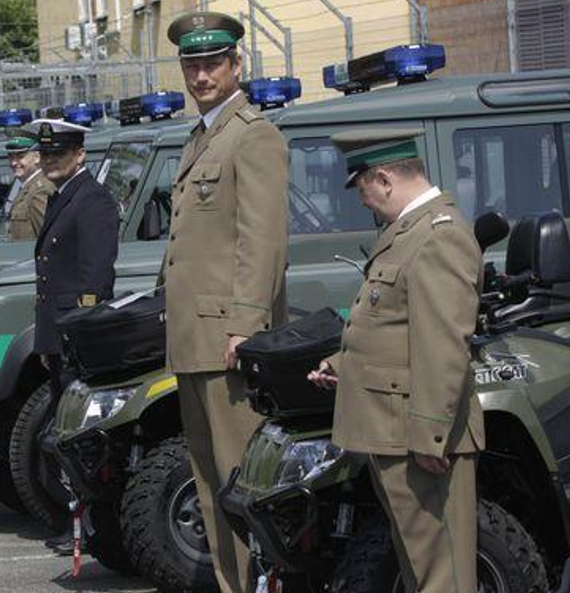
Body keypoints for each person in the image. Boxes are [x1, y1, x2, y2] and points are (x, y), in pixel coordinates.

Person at [308, 128, 484, 593]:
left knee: (441, 573)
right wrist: (340, 365)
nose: (364, 202)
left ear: (384, 179)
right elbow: (392, 325)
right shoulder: (408, 233)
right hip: (395, 431)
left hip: (418, 437)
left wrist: (430, 433)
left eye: (363, 190)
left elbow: (443, 343)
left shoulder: (437, 236)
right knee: (420, 566)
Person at [163, 12, 289, 593]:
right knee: (212, 481)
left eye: (212, 63)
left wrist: (246, 328)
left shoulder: (252, 133)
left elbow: (261, 243)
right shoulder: (202, 135)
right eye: (192, 64)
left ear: (237, 65)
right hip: (194, 343)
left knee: (241, 483)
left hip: (227, 345)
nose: (201, 74)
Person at [30, 118, 119, 554]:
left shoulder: (93, 200)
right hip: (59, 337)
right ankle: (76, 522)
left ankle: (91, 527)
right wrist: (46, 342)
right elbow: (49, 280)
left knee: (81, 437)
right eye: (45, 155)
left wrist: (76, 339)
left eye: (58, 155)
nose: (50, 162)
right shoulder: (62, 197)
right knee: (65, 434)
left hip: (77, 338)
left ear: (80, 155)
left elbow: (95, 280)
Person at [4, 131, 54, 241]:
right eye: (11, 157)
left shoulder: (40, 191)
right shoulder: (28, 187)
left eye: (20, 156)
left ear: (37, 157)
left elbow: (48, 238)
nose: (14, 162)